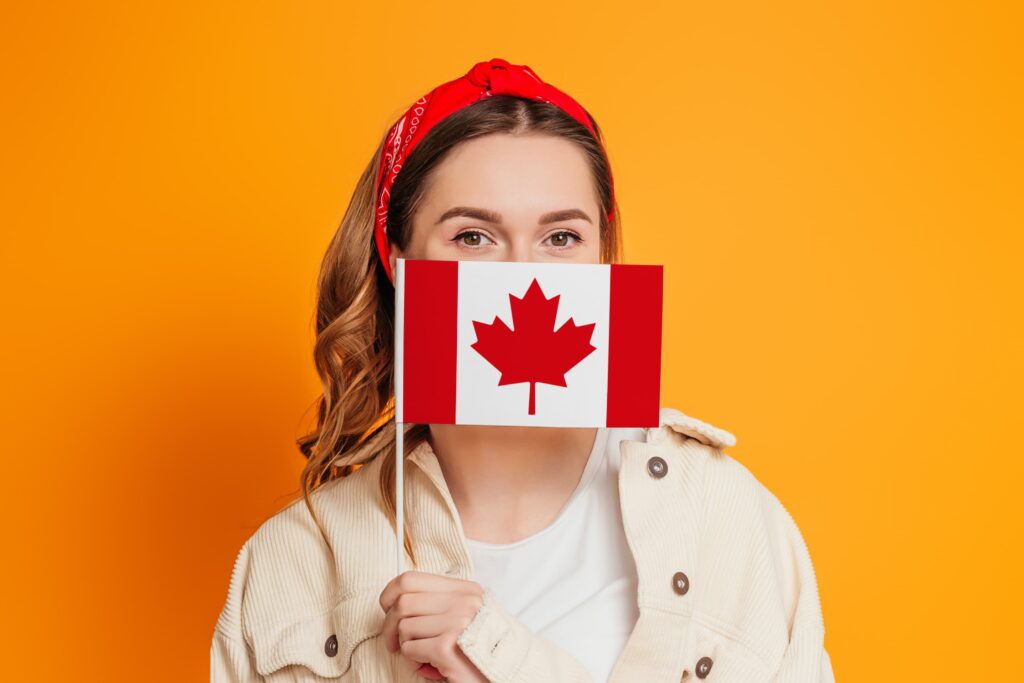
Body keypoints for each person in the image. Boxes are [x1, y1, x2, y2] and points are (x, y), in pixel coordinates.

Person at [210, 57, 835, 683]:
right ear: (399, 262)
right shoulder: (291, 563)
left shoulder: (721, 517)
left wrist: (500, 659)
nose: (521, 276)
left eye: (561, 237)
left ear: (601, 256)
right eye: (473, 237)